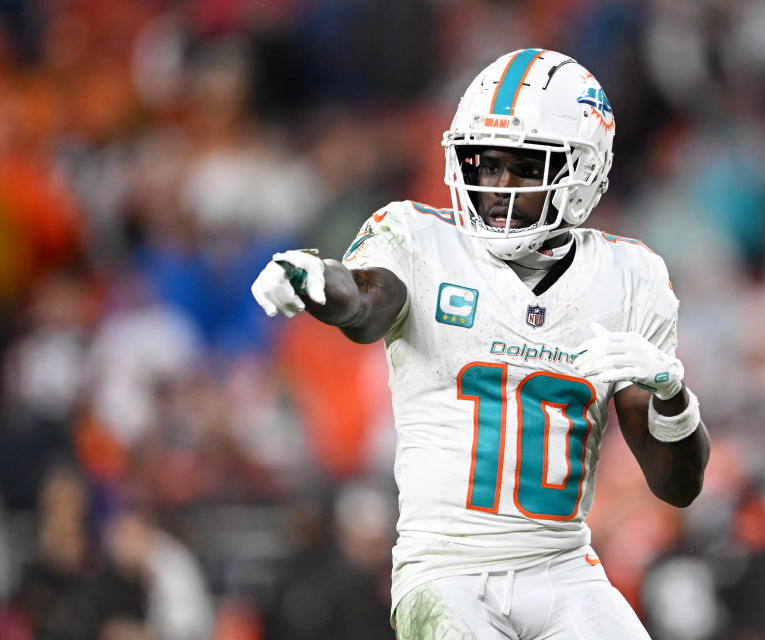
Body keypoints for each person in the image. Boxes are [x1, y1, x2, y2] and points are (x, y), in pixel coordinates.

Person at [252, 48, 710, 640]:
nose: (493, 187)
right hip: (447, 572)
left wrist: (671, 394)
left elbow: (679, 487)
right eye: (482, 165)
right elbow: (366, 303)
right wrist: (318, 281)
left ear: (582, 173)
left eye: (520, 166)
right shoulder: (418, 238)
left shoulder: (631, 278)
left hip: (564, 567)